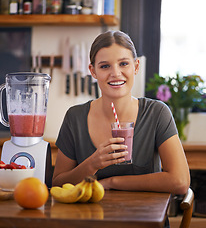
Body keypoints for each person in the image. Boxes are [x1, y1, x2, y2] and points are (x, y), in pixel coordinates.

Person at [52, 30, 190, 196]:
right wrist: (92, 164)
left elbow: (180, 182)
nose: (115, 73)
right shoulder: (75, 117)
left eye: (123, 64)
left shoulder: (157, 113)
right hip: (90, 220)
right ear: (93, 71)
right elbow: (58, 184)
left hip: (144, 220)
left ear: (136, 66)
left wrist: (112, 182)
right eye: (104, 66)